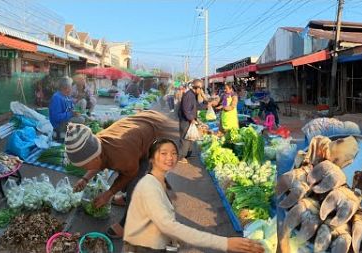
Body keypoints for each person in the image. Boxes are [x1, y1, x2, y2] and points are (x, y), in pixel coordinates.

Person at [123, 138, 264, 253]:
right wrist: (225, 243)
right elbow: (168, 226)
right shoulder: (149, 187)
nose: (170, 158)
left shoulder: (159, 181)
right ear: (152, 158)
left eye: (173, 153)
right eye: (163, 153)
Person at [65, 110, 175, 239]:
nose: (84, 169)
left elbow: (129, 174)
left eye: (84, 166)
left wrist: (108, 194)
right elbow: (99, 162)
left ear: (94, 158)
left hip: (160, 136)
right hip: (143, 131)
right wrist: (85, 179)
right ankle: (127, 198)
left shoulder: (121, 154)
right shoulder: (97, 144)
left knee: (137, 184)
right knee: (133, 174)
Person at [178, 79, 203, 163]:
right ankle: (181, 157)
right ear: (197, 87)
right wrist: (191, 119)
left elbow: (196, 106)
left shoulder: (193, 95)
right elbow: (186, 109)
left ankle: (188, 153)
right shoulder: (189, 95)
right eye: (201, 88)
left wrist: (207, 105)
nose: (201, 90)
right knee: (185, 138)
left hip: (189, 120)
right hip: (186, 121)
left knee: (190, 138)